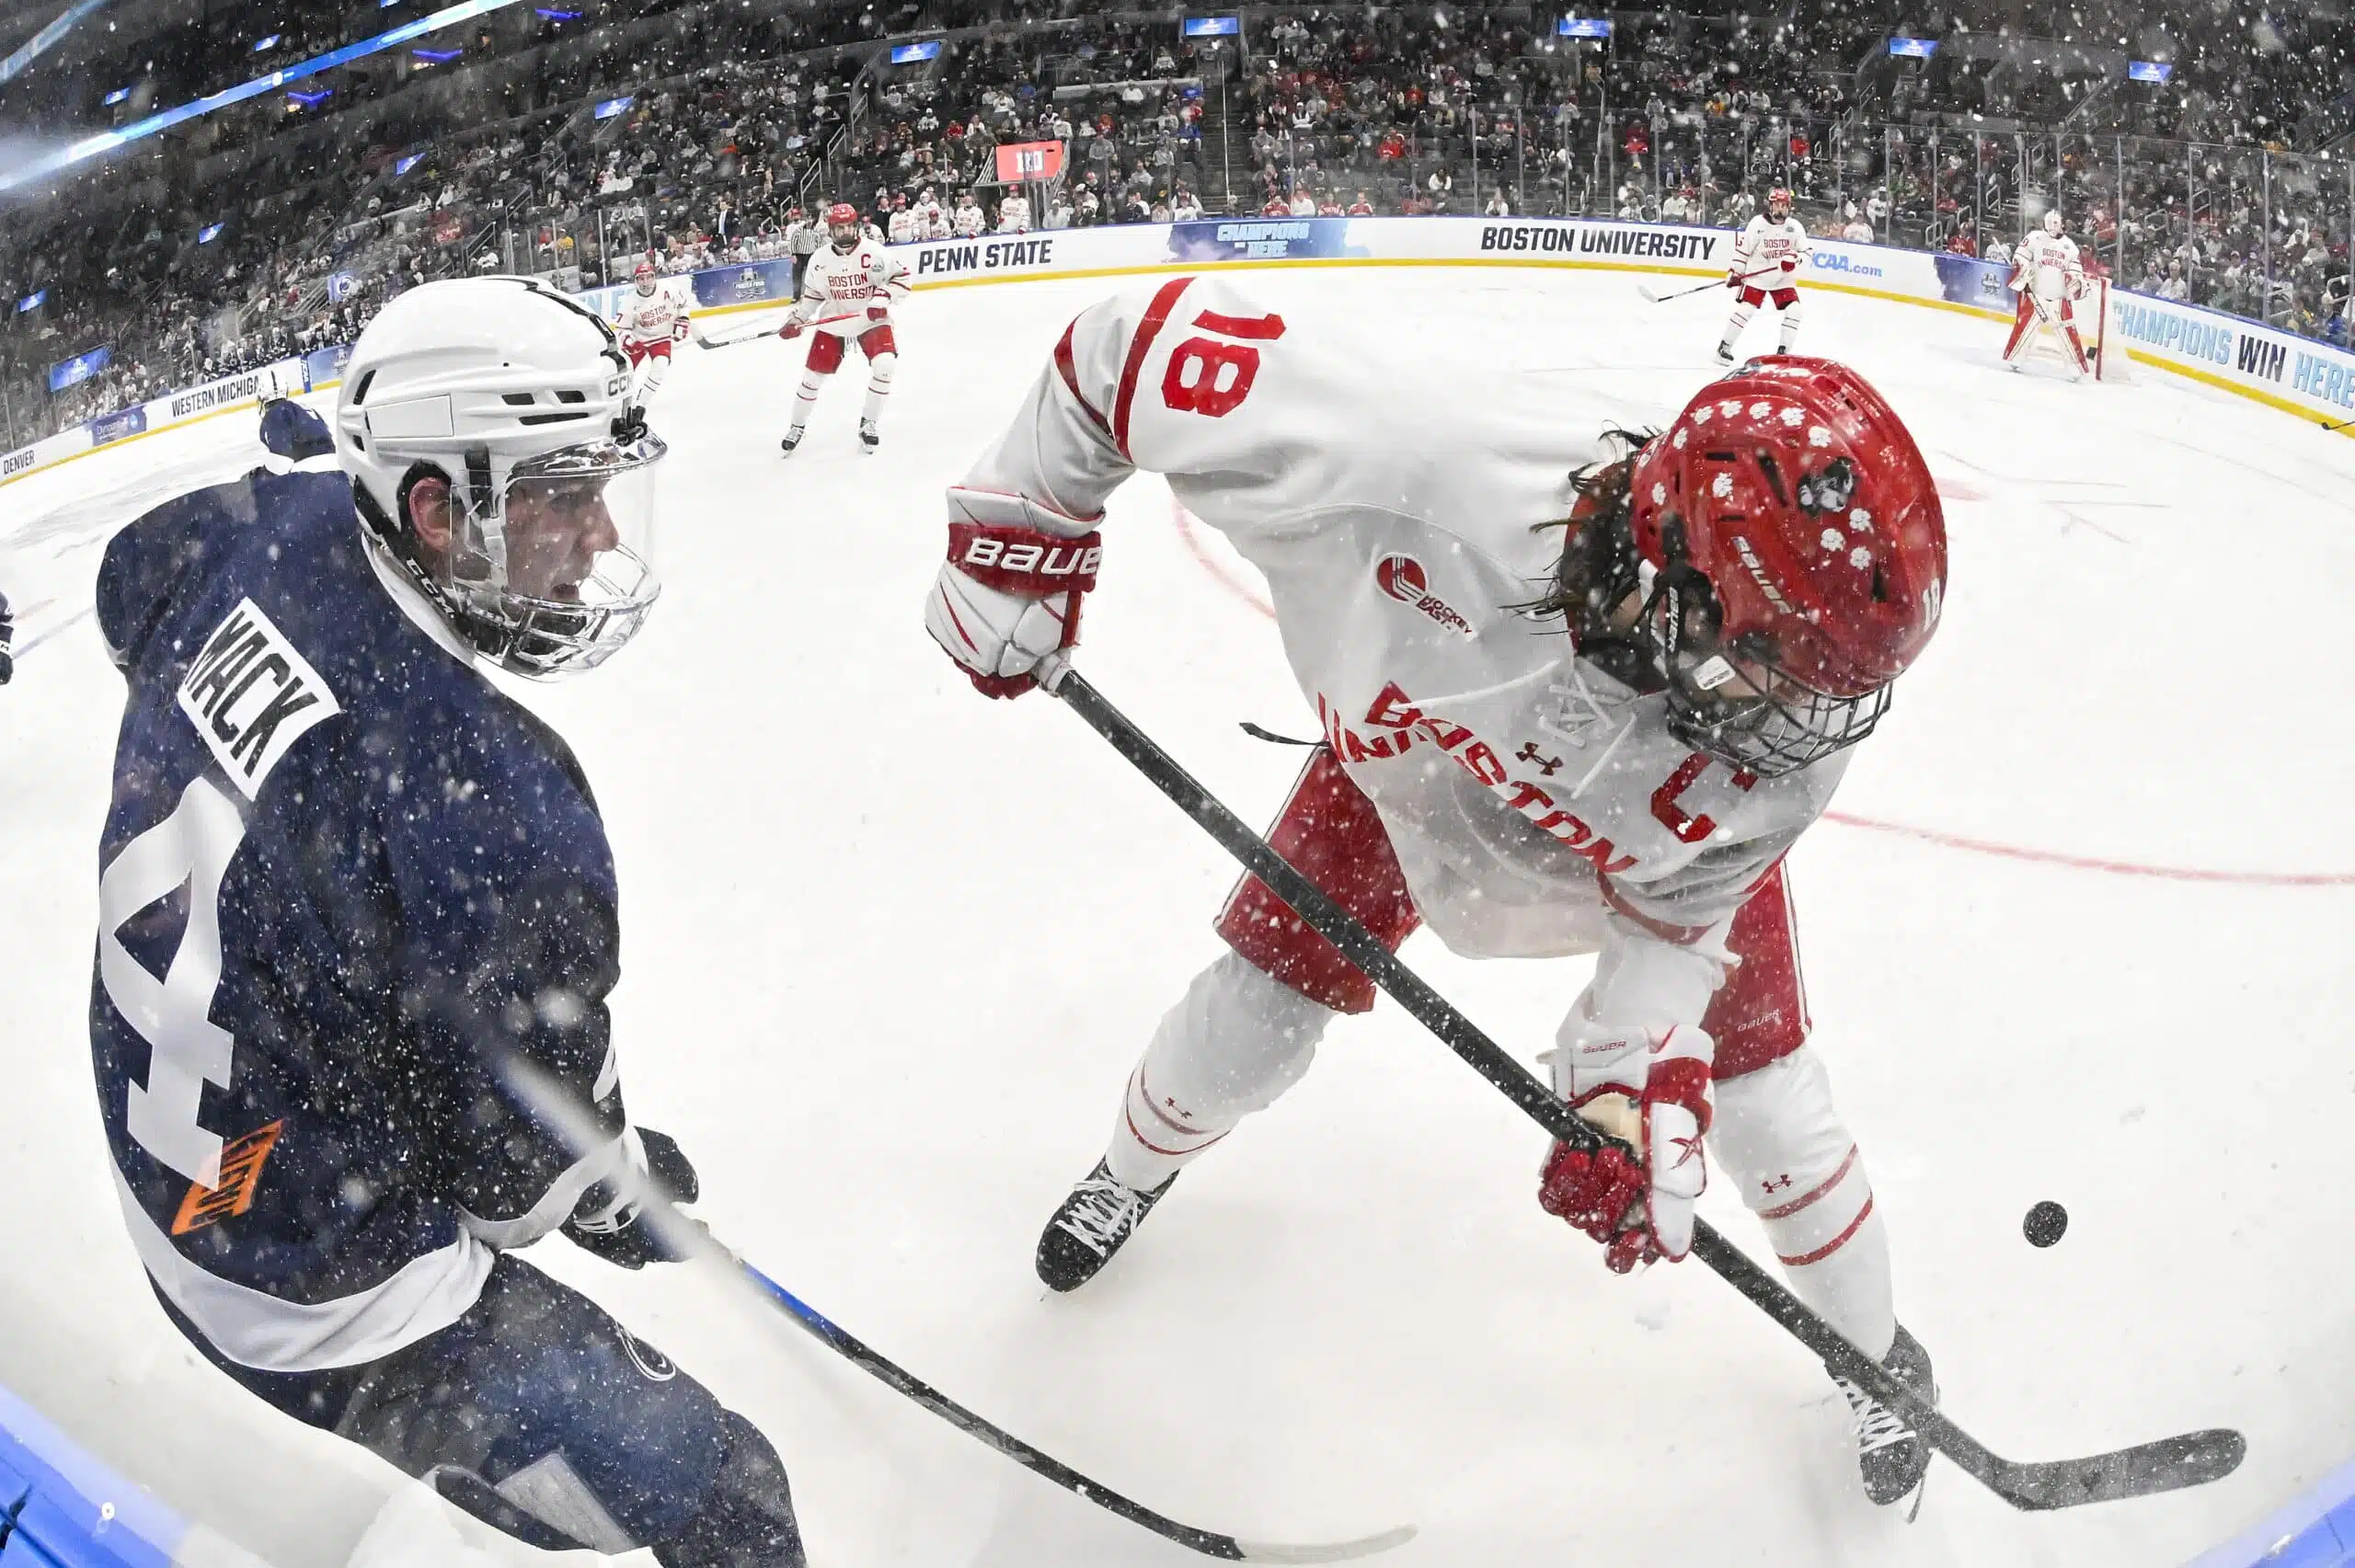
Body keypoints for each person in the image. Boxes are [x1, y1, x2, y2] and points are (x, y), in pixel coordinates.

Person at [921, 273, 1948, 1508]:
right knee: (1246, 1027)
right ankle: (1127, 1173)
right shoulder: (1417, 464)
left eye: (1825, 685)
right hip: (1405, 773)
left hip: (1623, 836)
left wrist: (1625, 1087)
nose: (1798, 725)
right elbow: (1124, 349)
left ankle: (1876, 1356)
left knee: (1769, 1106)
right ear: (1667, 565)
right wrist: (1019, 536)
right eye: (1769, 662)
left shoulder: (1776, 752)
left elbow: (1673, 934)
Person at [87, 294, 805, 1560]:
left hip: (194, 1127)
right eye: (565, 494)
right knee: (730, 1494)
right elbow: (514, 1178)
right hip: (301, 1270)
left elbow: (124, 581)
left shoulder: (265, 528)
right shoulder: (493, 807)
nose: (598, 536)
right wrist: (601, 1185)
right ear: (436, 510)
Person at [777, 201, 911, 456]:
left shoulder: (874, 251)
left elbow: (902, 277)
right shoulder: (819, 259)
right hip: (835, 321)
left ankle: (868, 423)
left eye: (849, 226)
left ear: (856, 226)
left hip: (871, 319)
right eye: (839, 228)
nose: (845, 232)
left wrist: (882, 297)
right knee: (811, 379)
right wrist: (799, 318)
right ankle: (796, 427)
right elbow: (813, 295)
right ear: (830, 230)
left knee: (885, 366)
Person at [1718, 186, 1809, 363]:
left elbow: (1808, 252)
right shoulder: (1757, 224)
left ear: (1789, 207)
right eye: (1777, 205)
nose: (1780, 209)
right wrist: (1736, 272)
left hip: (1782, 279)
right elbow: (1743, 251)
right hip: (1757, 277)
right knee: (1746, 309)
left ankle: (1783, 354)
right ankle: (1724, 347)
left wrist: (1794, 259)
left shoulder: (1795, 227)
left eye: (1784, 205)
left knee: (1795, 310)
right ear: (1771, 205)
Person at [2004, 210, 2088, 378]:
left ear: (2062, 224)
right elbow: (2020, 256)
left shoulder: (2070, 247)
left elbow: (2076, 270)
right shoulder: (2034, 238)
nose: (2052, 226)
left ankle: (2075, 366)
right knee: (2026, 328)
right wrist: (2024, 267)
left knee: (2067, 332)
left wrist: (2075, 281)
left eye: (2055, 223)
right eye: (2049, 222)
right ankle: (2016, 357)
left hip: (2059, 298)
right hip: (2037, 295)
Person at [615, 258, 690, 407]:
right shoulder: (629, 302)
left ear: (654, 278)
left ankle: (640, 405)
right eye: (641, 279)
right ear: (636, 281)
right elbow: (621, 329)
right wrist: (629, 341)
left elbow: (683, 305)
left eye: (649, 277)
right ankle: (617, 405)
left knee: (660, 367)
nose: (645, 282)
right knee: (625, 373)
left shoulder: (669, 289)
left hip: (661, 338)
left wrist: (682, 320)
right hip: (639, 340)